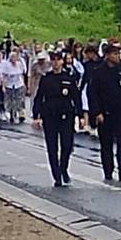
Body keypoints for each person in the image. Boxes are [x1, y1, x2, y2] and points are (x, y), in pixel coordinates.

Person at [88, 43, 121, 181]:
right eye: (114, 54)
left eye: (118, 53)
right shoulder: (98, 72)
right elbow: (93, 94)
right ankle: (108, 170)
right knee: (106, 143)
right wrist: (97, 112)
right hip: (105, 112)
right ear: (107, 55)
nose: (117, 56)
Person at [32, 51, 80, 186]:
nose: (55, 63)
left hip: (66, 115)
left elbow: (76, 97)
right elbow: (39, 97)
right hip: (50, 116)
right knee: (52, 147)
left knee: (67, 145)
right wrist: (36, 115)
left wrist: (81, 115)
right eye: (53, 60)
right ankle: (56, 175)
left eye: (58, 60)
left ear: (62, 62)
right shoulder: (47, 78)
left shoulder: (69, 78)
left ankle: (63, 168)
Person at [4, 50, 28, 124]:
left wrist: (24, 84)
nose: (14, 59)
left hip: (19, 84)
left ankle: (21, 114)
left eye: (15, 57)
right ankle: (11, 113)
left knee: (20, 100)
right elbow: (5, 76)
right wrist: (4, 86)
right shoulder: (7, 65)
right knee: (11, 100)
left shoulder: (20, 64)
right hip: (10, 84)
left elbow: (22, 74)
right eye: (12, 57)